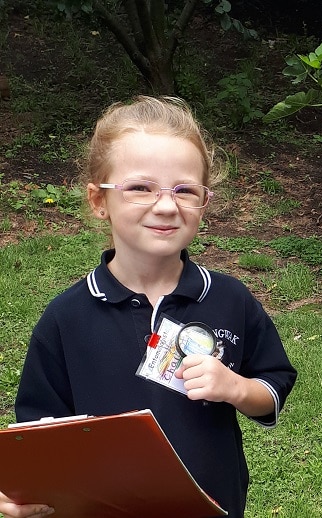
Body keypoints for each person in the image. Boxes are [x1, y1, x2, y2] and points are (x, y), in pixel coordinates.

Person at [0, 96, 297, 518]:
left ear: (204, 202)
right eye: (140, 187)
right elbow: (38, 431)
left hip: (210, 506)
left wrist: (237, 388)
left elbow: (275, 382)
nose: (166, 205)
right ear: (98, 200)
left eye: (185, 190)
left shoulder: (230, 299)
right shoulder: (66, 318)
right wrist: (29, 492)